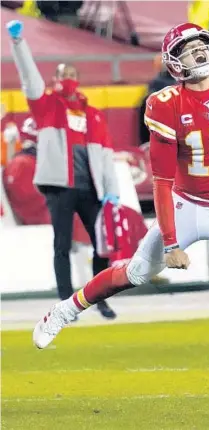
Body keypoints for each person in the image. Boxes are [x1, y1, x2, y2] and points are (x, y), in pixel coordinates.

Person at [32, 23, 209, 417]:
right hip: (189, 205)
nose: (199, 54)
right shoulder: (164, 104)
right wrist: (172, 243)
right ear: (175, 63)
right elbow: (162, 181)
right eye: (189, 50)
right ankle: (67, 309)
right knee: (138, 271)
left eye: (202, 47)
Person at [7, 19, 119, 319]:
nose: (66, 78)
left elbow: (106, 156)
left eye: (71, 74)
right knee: (61, 245)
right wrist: (18, 44)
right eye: (61, 74)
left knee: (102, 247)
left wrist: (112, 191)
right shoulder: (47, 106)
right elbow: (30, 78)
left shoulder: (94, 115)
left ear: (77, 79)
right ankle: (64, 304)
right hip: (59, 185)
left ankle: (99, 298)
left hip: (90, 188)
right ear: (55, 80)